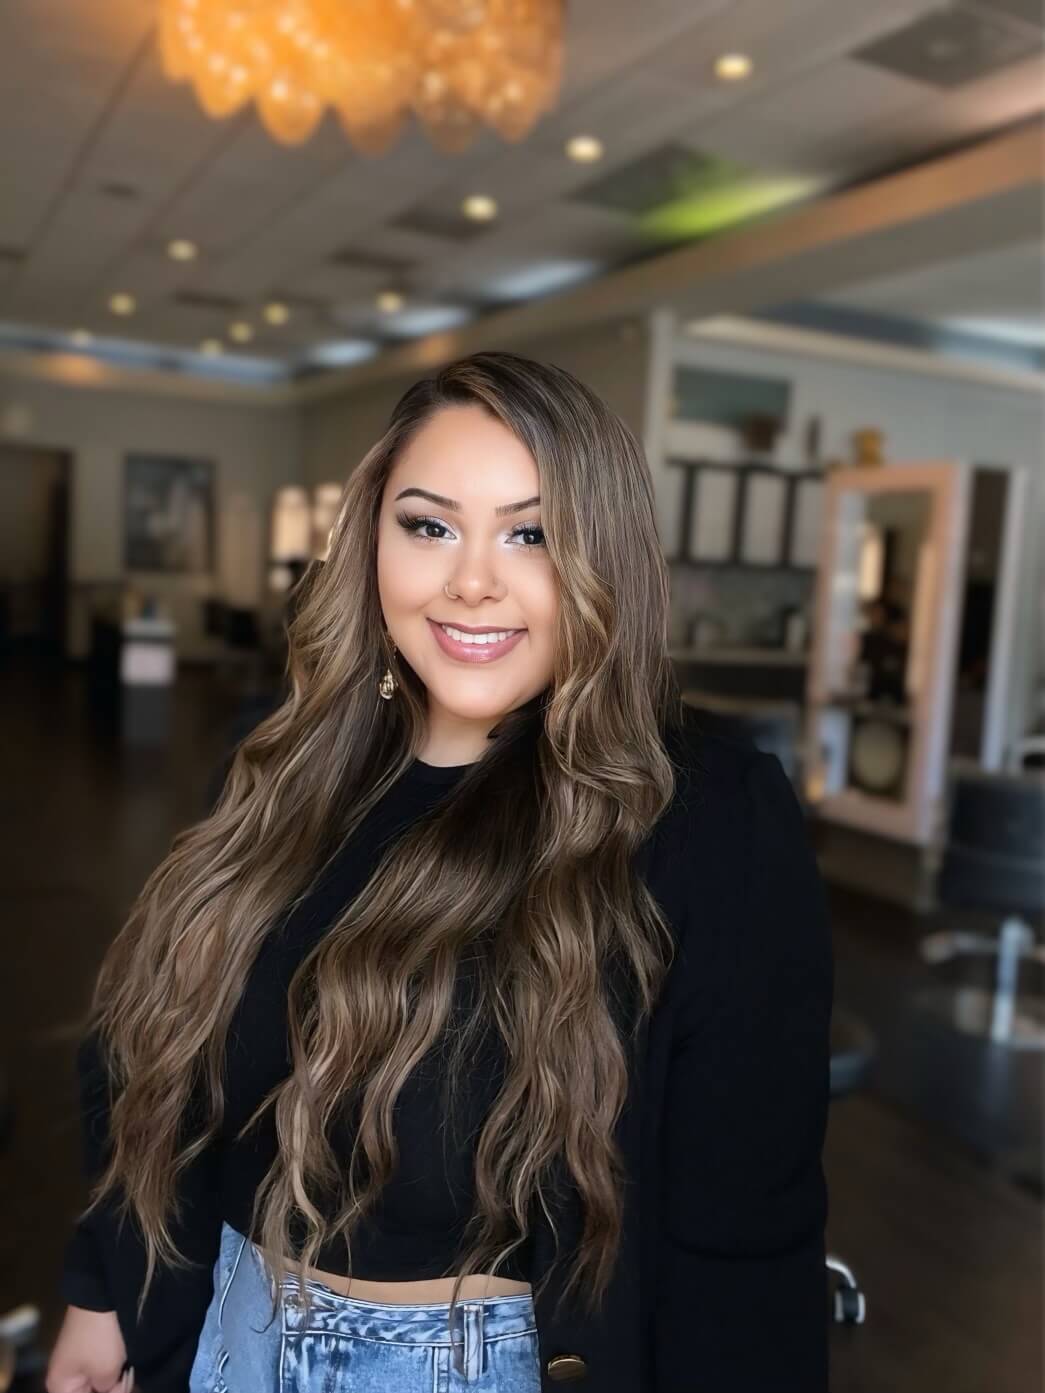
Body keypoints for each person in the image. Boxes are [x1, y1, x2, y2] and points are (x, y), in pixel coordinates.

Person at [46, 351, 833, 1393]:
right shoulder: (286, 769)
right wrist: (104, 1290)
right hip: (225, 1339)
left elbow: (743, 1244)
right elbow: (153, 1063)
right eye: (428, 524)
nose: (473, 578)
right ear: (371, 539)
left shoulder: (710, 822)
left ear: (607, 560)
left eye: (531, 532)